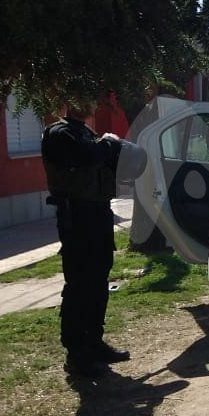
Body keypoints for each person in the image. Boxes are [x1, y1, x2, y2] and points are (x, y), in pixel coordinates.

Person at [42, 97, 140, 378]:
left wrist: (115, 148)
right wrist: (110, 143)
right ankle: (76, 354)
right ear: (69, 103)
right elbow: (89, 156)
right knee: (79, 284)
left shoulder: (87, 134)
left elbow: (112, 161)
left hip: (97, 212)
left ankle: (94, 343)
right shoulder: (60, 133)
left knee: (99, 279)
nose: (89, 104)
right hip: (76, 216)